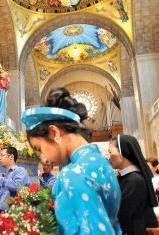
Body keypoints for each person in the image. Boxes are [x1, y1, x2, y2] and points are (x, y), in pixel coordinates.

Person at [21, 87, 121, 234]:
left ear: (54, 132)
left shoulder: (75, 173)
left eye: (40, 149)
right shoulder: (99, 161)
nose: (44, 159)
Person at [108, 135, 158, 234]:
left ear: (122, 153)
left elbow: (122, 213)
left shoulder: (135, 180)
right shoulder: (124, 177)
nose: (108, 157)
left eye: (110, 152)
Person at [0, 147, 30, 215]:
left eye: (2, 155)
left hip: (14, 211)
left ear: (11, 157)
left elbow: (17, 187)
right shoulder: (3, 175)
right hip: (0, 211)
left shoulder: (20, 171)